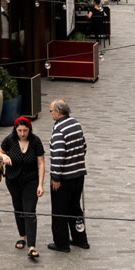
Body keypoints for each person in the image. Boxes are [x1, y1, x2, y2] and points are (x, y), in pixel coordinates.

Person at [0, 114, 46, 258]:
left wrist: (40, 184)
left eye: (25, 130)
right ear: (15, 130)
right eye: (20, 131)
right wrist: (3, 156)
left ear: (29, 130)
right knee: (18, 207)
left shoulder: (36, 141)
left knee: (30, 211)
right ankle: (22, 236)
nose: (23, 133)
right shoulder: (10, 140)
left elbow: (41, 163)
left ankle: (31, 246)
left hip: (31, 180)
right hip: (13, 180)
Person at [45, 99, 88, 252]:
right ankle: (80, 239)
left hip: (64, 178)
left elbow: (58, 156)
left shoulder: (59, 129)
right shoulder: (76, 123)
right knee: (75, 207)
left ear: (58, 112)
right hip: (79, 174)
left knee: (59, 210)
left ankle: (61, 243)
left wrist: (56, 178)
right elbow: (84, 147)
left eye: (51, 111)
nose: (50, 114)